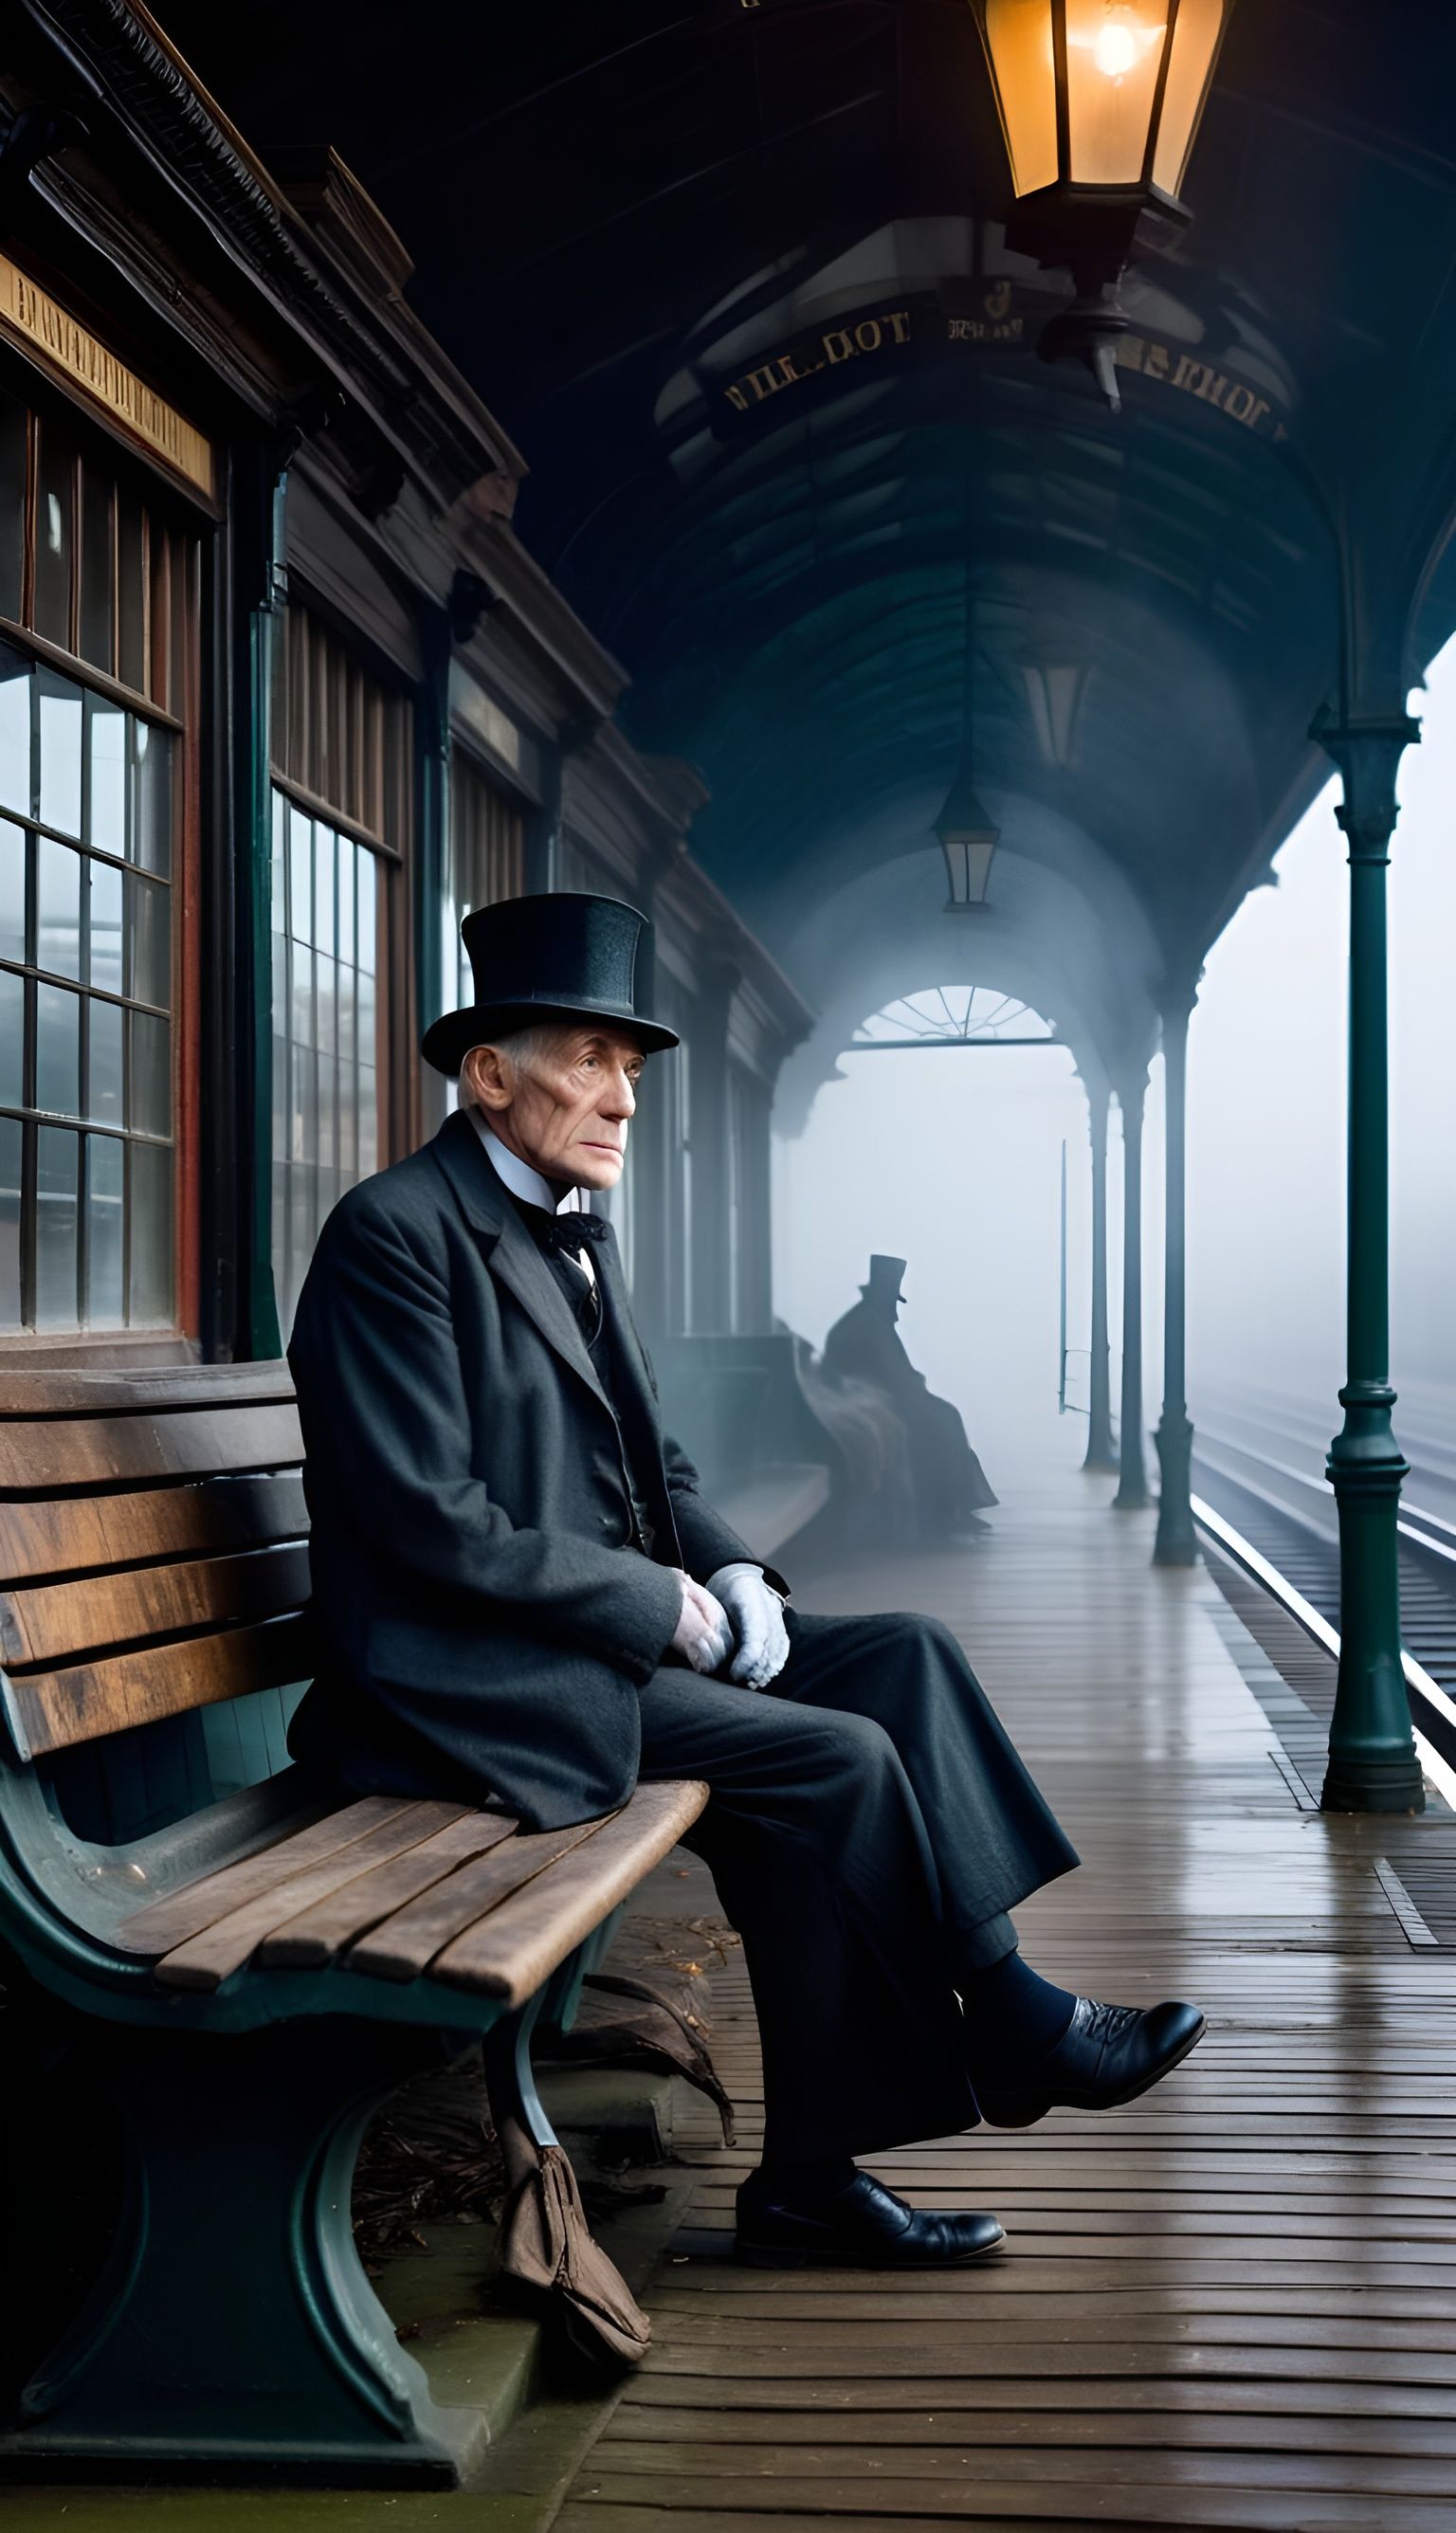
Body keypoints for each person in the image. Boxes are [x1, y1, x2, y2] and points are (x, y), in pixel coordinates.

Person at [288, 893, 1204, 2271]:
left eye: (631, 1068)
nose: (623, 1099)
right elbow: (429, 1526)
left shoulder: (571, 1232)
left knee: (903, 1655)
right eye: (590, 1061)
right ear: (488, 1074)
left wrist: (727, 1567)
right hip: (462, 1685)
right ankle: (934, 2085)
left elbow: (658, 1466)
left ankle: (975, 2040)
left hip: (577, 1650)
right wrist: (654, 1604)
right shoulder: (395, 1235)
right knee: (832, 1766)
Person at [825, 1256, 998, 1539]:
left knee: (946, 1417)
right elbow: (894, 1375)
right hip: (878, 1398)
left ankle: (953, 1506)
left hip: (877, 1395)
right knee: (945, 1421)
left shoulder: (867, 1320)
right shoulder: (872, 1326)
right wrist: (916, 1385)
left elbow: (895, 1371)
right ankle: (949, 1510)